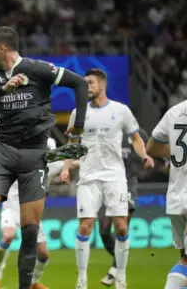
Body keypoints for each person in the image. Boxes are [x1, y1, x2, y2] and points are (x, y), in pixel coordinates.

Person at [0, 26, 89, 289]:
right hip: (4, 152)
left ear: (2, 48)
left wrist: (78, 125)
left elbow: (79, 83)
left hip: (34, 157)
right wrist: (5, 87)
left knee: (30, 229)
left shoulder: (36, 69)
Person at [63, 69, 154, 289]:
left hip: (115, 177)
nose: (87, 87)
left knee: (121, 227)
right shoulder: (78, 113)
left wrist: (144, 155)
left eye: (90, 83)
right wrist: (66, 167)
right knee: (85, 227)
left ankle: (120, 276)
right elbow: (72, 144)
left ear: (102, 85)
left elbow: (135, 137)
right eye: (84, 84)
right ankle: (82, 279)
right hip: (88, 178)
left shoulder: (120, 111)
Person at [0, 138, 80, 289]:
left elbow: (70, 163)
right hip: (12, 208)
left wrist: (90, 161)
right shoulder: (21, 159)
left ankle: (34, 282)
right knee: (8, 236)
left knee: (44, 253)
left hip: (32, 213)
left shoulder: (52, 165)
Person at [98, 128, 149, 286]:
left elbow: (148, 150)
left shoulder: (139, 133)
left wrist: (146, 159)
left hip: (128, 184)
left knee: (121, 228)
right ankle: (119, 260)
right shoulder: (107, 131)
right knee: (104, 230)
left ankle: (116, 271)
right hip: (110, 184)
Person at [146, 99, 187, 289]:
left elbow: (151, 147)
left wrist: (177, 151)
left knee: (185, 259)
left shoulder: (174, 112)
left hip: (177, 199)